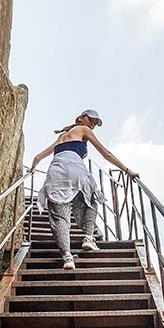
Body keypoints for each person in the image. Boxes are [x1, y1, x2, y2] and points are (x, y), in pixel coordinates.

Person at [30, 109, 139, 270]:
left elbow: (38, 157)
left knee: (60, 217)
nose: (93, 124)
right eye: (91, 120)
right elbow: (106, 153)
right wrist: (127, 170)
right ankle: (88, 237)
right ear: (81, 118)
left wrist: (32, 169)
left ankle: (67, 256)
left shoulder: (61, 138)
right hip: (76, 170)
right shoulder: (83, 130)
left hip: (55, 175)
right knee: (92, 200)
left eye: (95, 123)